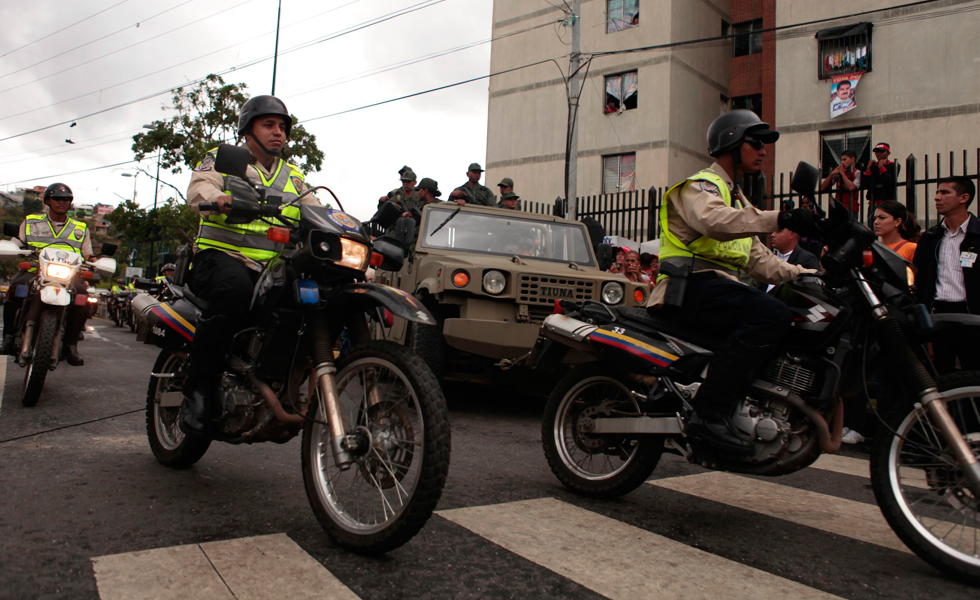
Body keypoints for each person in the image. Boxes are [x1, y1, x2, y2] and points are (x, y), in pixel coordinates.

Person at [649, 109, 816, 454]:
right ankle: (708, 414)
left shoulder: (737, 201)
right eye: (756, 143)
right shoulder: (699, 188)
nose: (763, 151)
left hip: (718, 290)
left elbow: (762, 262)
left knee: (791, 316)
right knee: (771, 315)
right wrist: (780, 217)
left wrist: (811, 276)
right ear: (733, 143)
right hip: (689, 288)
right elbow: (714, 221)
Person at [182, 95, 321, 435]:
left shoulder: (295, 178)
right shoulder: (224, 160)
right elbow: (200, 187)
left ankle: (280, 379)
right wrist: (217, 199)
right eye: (269, 125)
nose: (279, 133)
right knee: (234, 291)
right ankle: (198, 388)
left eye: (283, 127)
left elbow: (318, 212)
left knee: (314, 300)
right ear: (248, 130)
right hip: (221, 258)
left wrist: (351, 231)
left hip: (271, 268)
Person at [0, 183, 93, 365]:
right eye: (57, 198)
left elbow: (88, 255)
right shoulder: (31, 222)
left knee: (83, 298)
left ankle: (70, 345)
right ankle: (9, 337)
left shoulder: (80, 228)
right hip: (35, 270)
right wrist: (10, 248)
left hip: (69, 276)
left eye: (66, 199)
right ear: (48, 201)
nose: (62, 202)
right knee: (15, 289)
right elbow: (15, 243)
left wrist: (95, 263)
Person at [912, 176, 980, 374]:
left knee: (974, 372)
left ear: (964, 198)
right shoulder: (931, 237)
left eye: (945, 192)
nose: (937, 198)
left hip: (971, 314)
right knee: (942, 372)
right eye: (937, 193)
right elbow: (919, 277)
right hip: (938, 313)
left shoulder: (977, 235)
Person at [864, 142, 898, 222]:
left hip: (888, 202)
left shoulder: (893, 165)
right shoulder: (872, 166)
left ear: (888, 153)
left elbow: (890, 182)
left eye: (881, 151)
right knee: (872, 226)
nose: (878, 154)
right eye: (877, 152)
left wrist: (882, 168)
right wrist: (868, 169)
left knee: (887, 225)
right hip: (874, 202)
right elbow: (865, 184)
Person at [820, 150, 861, 215]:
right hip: (838, 207)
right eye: (842, 160)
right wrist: (831, 174)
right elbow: (823, 188)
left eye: (845, 160)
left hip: (851, 208)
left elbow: (852, 187)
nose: (842, 162)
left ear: (853, 159)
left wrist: (842, 174)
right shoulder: (838, 174)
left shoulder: (858, 173)